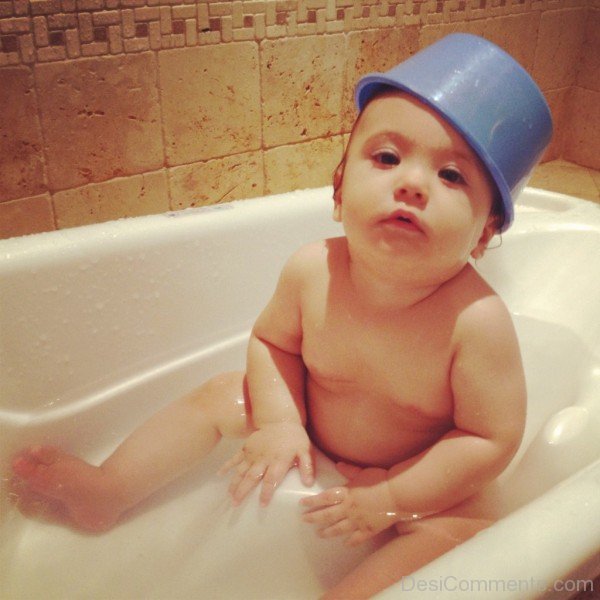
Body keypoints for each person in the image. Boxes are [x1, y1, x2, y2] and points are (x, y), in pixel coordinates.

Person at [11, 34, 552, 598]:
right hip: (309, 435)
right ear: (340, 192)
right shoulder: (310, 270)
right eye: (387, 157)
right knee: (222, 393)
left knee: (468, 531)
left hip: (417, 484)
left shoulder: (476, 322)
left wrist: (394, 497)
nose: (412, 183)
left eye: (452, 176)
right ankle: (111, 488)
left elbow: (487, 440)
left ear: (485, 232)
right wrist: (280, 422)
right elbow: (273, 344)